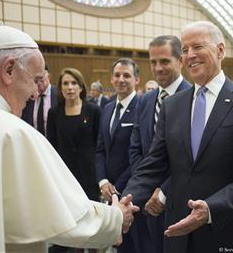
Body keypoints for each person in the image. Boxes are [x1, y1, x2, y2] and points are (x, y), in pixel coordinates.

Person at [0, 26, 138, 253]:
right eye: (35, 80)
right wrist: (116, 217)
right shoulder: (9, 131)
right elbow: (59, 216)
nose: (35, 93)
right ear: (9, 70)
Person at [122, 21, 233, 252]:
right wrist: (126, 202)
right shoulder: (172, 105)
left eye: (198, 47)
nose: (190, 55)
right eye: (184, 50)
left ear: (220, 50)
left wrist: (211, 209)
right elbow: (153, 163)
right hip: (176, 233)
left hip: (227, 231)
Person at [129, 35, 191, 253]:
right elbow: (136, 148)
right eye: (153, 62)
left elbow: (192, 156)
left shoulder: (195, 98)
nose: (158, 68)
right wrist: (146, 187)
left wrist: (163, 190)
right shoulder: (145, 100)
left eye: (164, 61)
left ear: (180, 60)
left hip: (180, 200)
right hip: (147, 201)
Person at [96, 58, 148, 253]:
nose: (121, 79)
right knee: (118, 245)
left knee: (136, 245)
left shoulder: (143, 107)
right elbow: (100, 148)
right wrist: (102, 181)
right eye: (117, 75)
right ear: (111, 79)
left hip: (133, 190)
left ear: (137, 79)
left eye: (127, 75)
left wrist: (118, 185)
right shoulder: (107, 108)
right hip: (109, 190)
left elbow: (141, 153)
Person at [47, 68, 102, 253]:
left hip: (89, 173)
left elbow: (99, 145)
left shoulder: (93, 110)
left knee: (93, 221)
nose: (70, 87)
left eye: (74, 83)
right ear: (60, 88)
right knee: (72, 221)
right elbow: (52, 146)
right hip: (65, 175)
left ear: (81, 87)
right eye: (65, 83)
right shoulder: (54, 113)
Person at [21, 64, 57, 136]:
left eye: (41, 76)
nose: (38, 80)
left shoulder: (59, 95)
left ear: (48, 77)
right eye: (36, 77)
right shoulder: (28, 96)